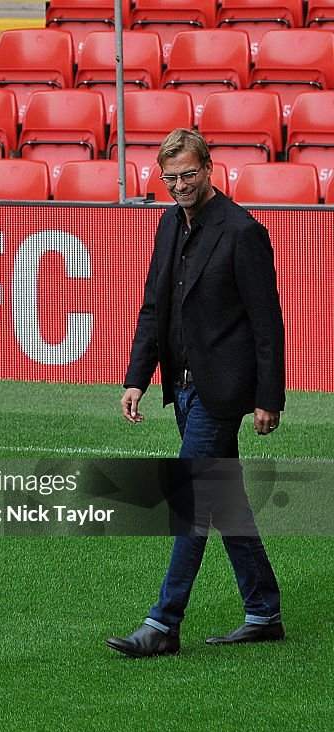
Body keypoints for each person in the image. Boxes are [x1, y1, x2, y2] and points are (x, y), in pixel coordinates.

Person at [106, 128, 286, 658]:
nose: (180, 185)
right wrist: (137, 377)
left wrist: (268, 396)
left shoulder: (241, 231)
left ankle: (163, 623)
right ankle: (264, 609)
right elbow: (154, 308)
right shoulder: (167, 225)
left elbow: (266, 322)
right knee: (224, 500)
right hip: (179, 391)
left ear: (210, 168)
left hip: (220, 393)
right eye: (171, 178)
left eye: (188, 174)